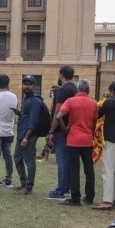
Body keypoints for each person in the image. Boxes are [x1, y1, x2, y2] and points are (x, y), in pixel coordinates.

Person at [54, 79, 98, 206]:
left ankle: (75, 198)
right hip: (87, 140)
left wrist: (65, 129)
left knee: (74, 169)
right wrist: (91, 131)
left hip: (73, 139)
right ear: (88, 90)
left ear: (78, 89)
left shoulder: (70, 101)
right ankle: (89, 197)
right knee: (89, 169)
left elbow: (58, 116)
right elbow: (95, 120)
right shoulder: (93, 103)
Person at [93, 82, 115, 211]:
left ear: (112, 92)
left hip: (112, 140)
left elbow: (98, 114)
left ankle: (107, 200)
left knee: (107, 170)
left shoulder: (109, 102)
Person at [45, 66, 77, 200]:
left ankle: (61, 190)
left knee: (62, 159)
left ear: (61, 75)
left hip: (61, 129)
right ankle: (68, 187)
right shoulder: (75, 89)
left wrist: (52, 130)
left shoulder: (62, 90)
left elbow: (58, 112)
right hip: (71, 128)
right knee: (68, 160)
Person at [13, 76, 43, 195]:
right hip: (21, 134)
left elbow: (33, 122)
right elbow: (26, 115)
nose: (27, 86)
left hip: (28, 136)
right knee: (17, 159)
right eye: (25, 84)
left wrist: (26, 138)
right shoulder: (25, 99)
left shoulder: (35, 101)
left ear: (33, 86)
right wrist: (19, 113)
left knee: (29, 162)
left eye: (29, 84)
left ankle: (29, 187)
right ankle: (24, 182)